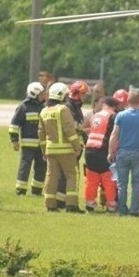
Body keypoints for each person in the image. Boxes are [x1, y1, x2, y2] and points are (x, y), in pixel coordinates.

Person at [39, 82, 84, 213]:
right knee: (71, 175)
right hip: (65, 149)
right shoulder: (63, 109)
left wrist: (43, 151)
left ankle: (50, 205)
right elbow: (69, 130)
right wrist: (77, 147)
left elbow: (41, 133)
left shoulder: (44, 111)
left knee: (51, 176)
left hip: (50, 149)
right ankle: (71, 205)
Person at [107, 90, 139, 216]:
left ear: (127, 101)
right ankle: (134, 210)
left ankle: (122, 209)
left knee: (122, 183)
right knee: (137, 184)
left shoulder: (120, 116)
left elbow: (114, 135)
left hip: (123, 152)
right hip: (138, 152)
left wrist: (110, 151)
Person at [9, 82, 47, 196]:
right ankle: (21, 190)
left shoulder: (43, 108)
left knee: (41, 167)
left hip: (41, 145)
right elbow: (14, 125)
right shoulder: (23, 107)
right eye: (41, 93)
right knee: (25, 167)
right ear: (34, 94)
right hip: (28, 145)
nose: (43, 95)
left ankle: (37, 190)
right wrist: (14, 140)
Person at [83, 96, 118, 213]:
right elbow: (115, 135)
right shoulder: (112, 116)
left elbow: (87, 129)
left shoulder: (94, 116)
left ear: (104, 104)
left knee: (91, 179)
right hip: (103, 150)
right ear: (114, 106)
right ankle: (111, 205)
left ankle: (90, 203)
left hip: (89, 151)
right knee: (108, 179)